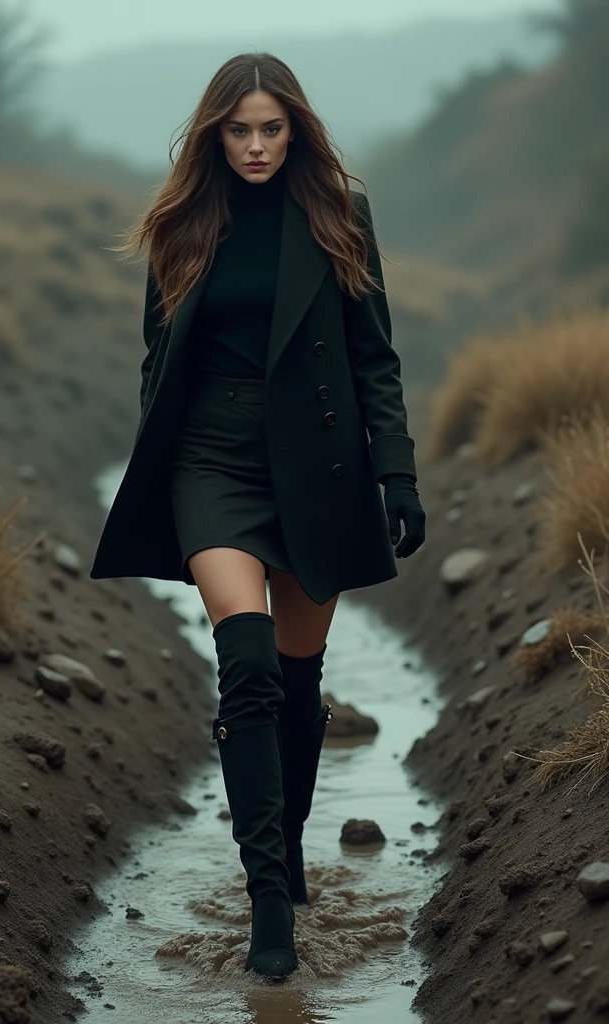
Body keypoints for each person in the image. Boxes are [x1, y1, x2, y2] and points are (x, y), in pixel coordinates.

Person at [90, 51, 426, 981]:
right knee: (245, 664)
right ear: (213, 135)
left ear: (296, 130)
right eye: (237, 130)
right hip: (214, 462)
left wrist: (396, 476)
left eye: (271, 129)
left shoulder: (339, 214)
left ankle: (292, 846)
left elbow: (374, 359)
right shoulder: (183, 222)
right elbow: (158, 359)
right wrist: (157, 469)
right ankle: (268, 893)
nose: (254, 146)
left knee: (297, 679)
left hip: (317, 465)